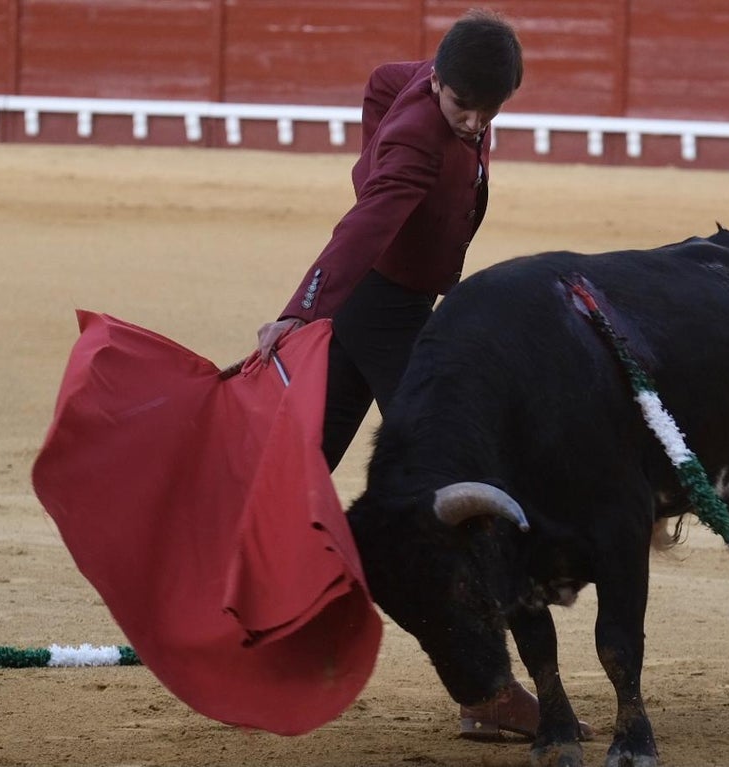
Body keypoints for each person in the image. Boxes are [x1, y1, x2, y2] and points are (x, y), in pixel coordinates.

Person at [244, 9, 590, 742]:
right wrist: (301, 308)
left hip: (389, 302)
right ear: (439, 81)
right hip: (385, 307)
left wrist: (371, 165)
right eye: (462, 107)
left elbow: (381, 80)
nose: (472, 122)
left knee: (308, 455)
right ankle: (482, 689)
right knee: (443, 475)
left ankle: (243, 609)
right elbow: (364, 227)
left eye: (486, 113)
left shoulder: (432, 86)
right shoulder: (414, 144)